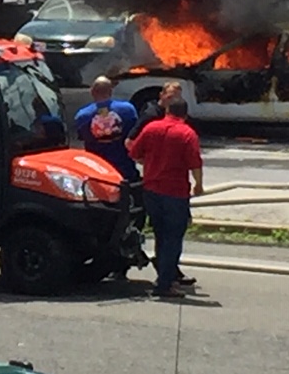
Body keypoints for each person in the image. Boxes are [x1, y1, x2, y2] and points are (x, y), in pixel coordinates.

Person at [129, 96, 203, 299]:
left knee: (160, 235)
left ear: (168, 110)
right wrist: (198, 185)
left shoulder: (152, 128)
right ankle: (165, 283)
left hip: (151, 190)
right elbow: (195, 163)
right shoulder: (187, 133)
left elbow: (134, 152)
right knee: (173, 238)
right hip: (175, 192)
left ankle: (163, 275)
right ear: (185, 115)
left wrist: (150, 164)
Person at [74, 76, 141, 180]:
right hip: (125, 168)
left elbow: (83, 137)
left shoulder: (82, 116)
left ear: (92, 92)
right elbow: (134, 133)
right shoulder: (128, 110)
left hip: (98, 170)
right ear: (110, 91)